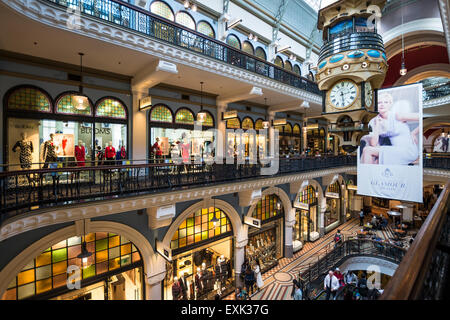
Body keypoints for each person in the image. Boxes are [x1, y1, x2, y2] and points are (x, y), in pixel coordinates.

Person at [360, 92, 420, 165]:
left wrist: (413, 133)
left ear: (390, 104)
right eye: (379, 103)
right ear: (375, 105)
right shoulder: (374, 120)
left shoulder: (398, 116)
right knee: (374, 160)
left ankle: (367, 176)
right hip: (395, 150)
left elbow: (420, 117)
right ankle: (371, 175)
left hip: (408, 151)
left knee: (367, 150)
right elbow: (373, 144)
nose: (382, 105)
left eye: (386, 102)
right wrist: (377, 125)